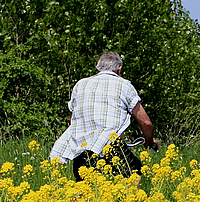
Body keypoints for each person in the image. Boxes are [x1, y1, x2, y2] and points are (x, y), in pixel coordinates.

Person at [50, 51, 158, 182]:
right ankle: (126, 201)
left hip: (81, 147)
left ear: (97, 68)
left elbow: (72, 118)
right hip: (110, 145)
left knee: (83, 187)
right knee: (134, 172)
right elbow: (145, 122)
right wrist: (149, 139)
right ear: (119, 69)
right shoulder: (124, 86)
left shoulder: (80, 84)